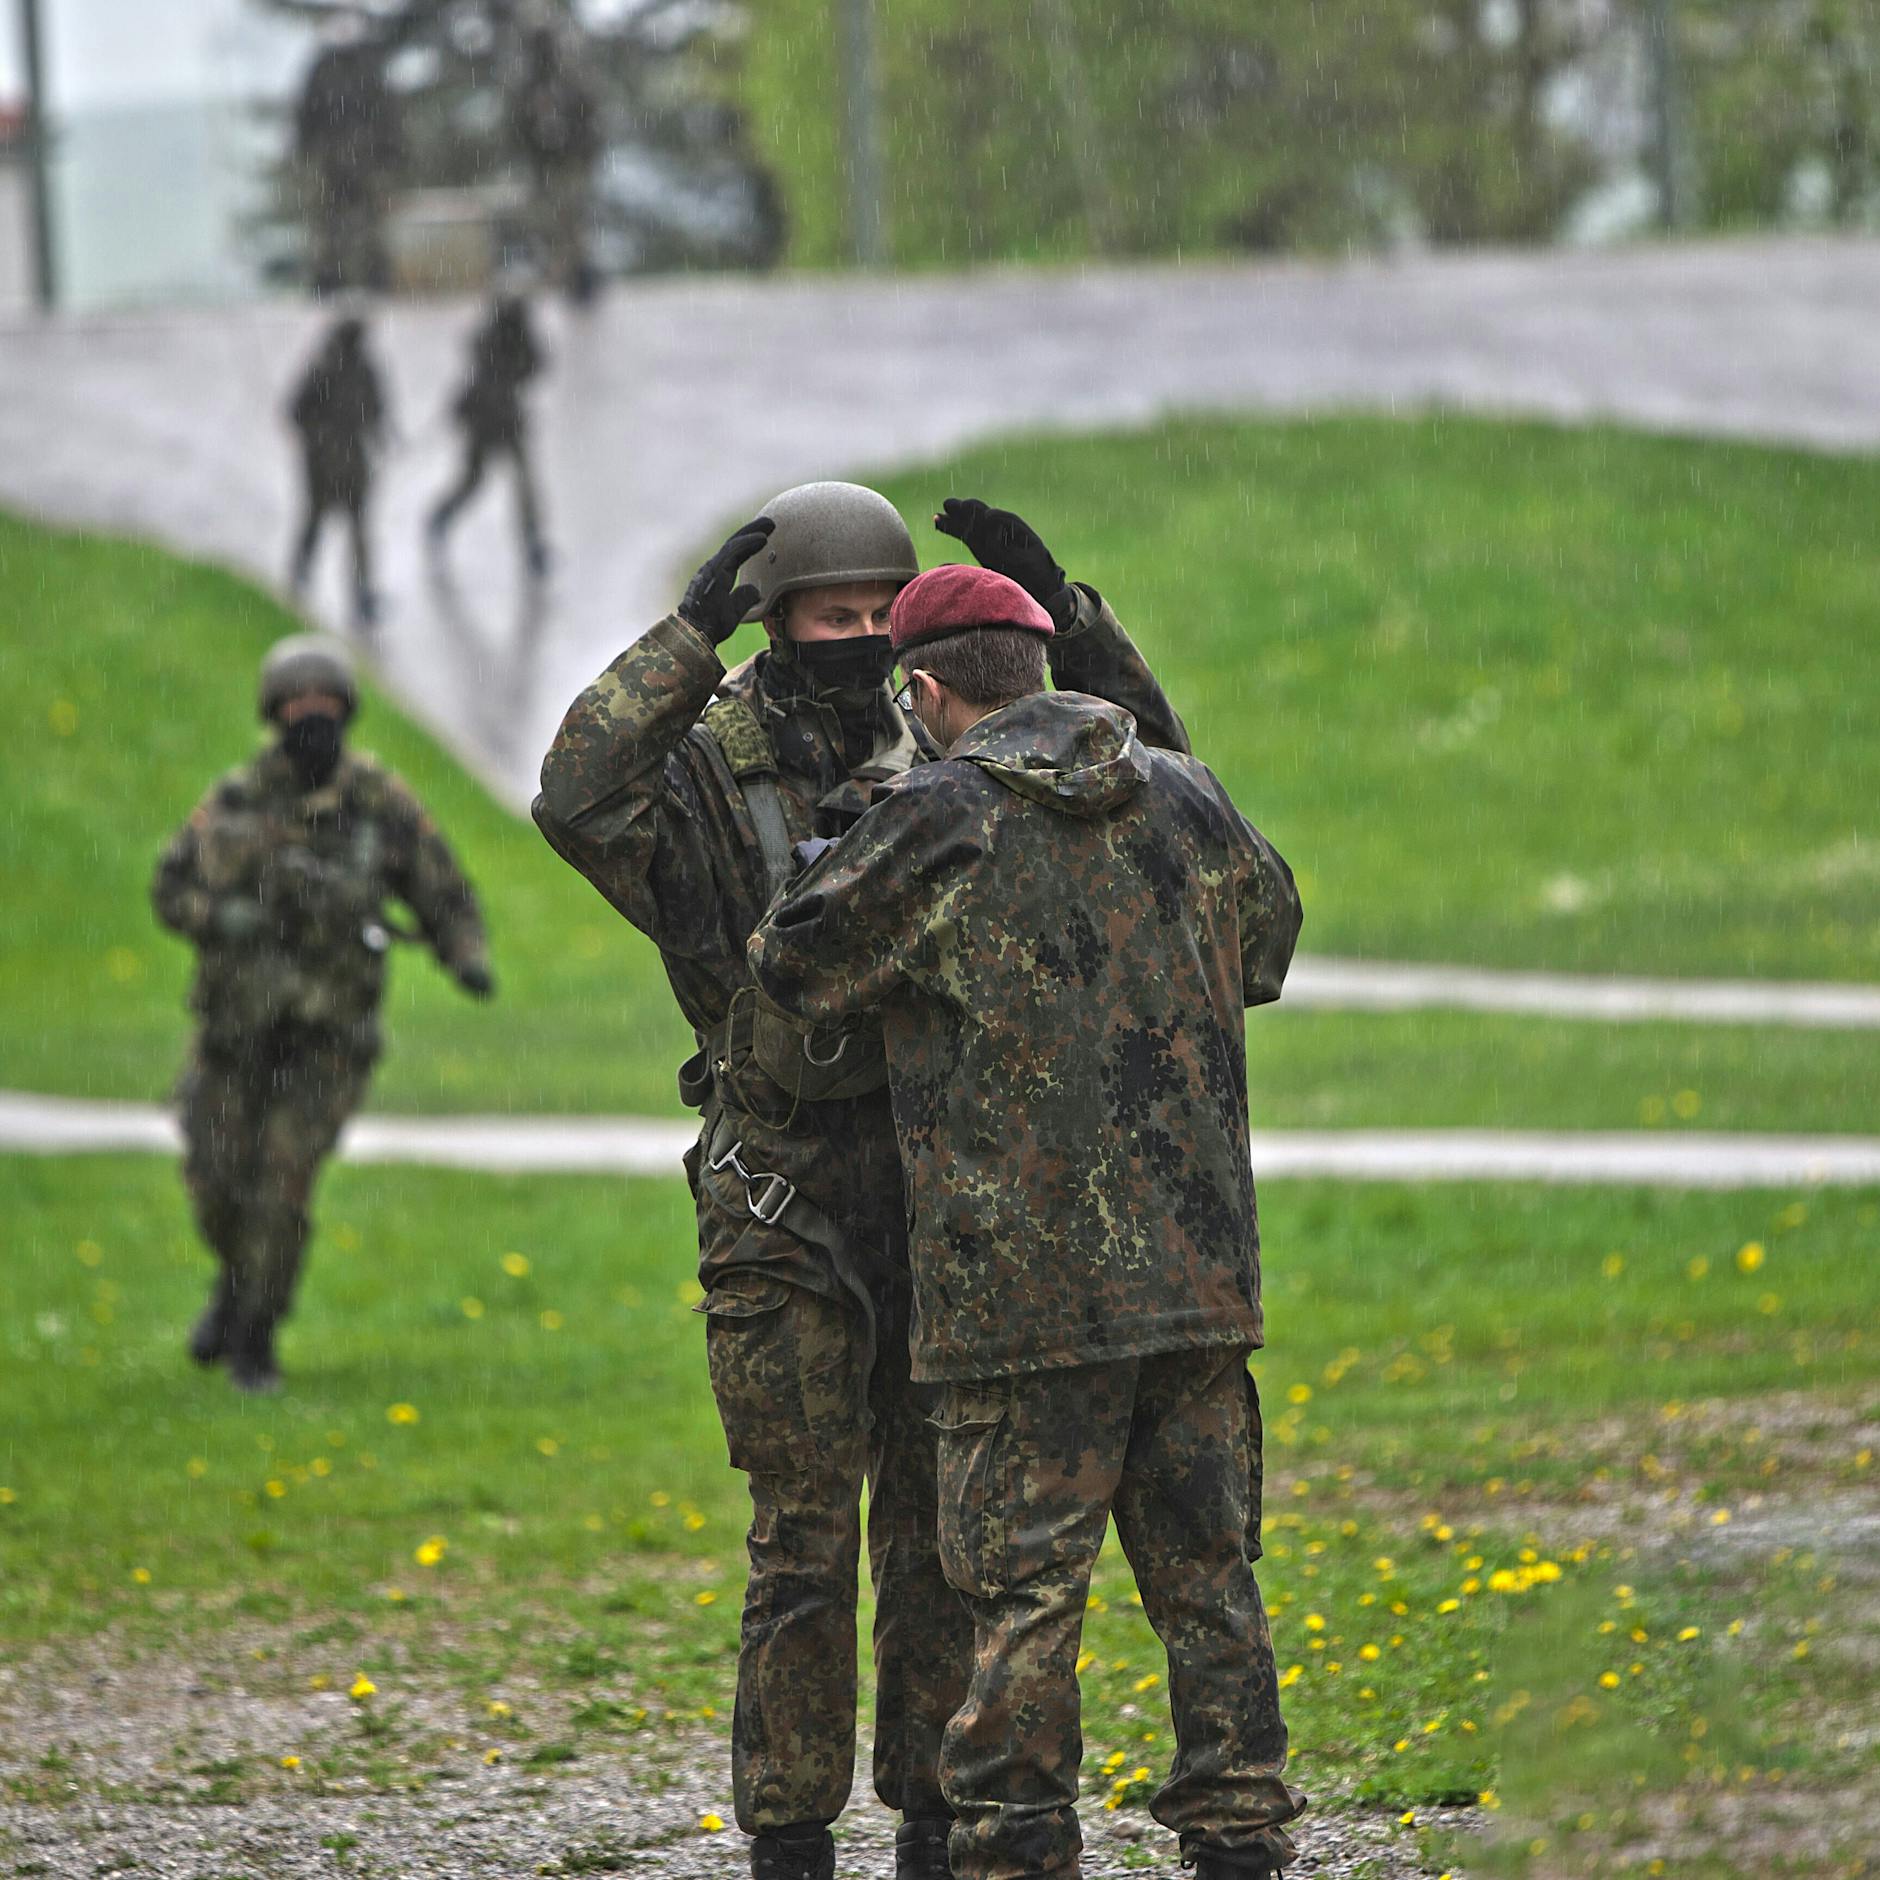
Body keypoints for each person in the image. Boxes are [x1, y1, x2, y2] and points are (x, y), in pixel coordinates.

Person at [534, 484, 1188, 1880]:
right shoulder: (707, 772)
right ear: (776, 626)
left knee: (949, 1537)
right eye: (828, 617)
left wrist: (1065, 617)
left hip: (944, 1193)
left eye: (878, 617)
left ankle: (933, 1818)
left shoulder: (959, 756)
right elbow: (574, 799)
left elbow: (1152, 780)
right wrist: (681, 642)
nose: (857, 639)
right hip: (783, 1196)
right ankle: (787, 1829)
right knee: (805, 1533)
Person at [748, 561, 1308, 1880]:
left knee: (1021, 1601)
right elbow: (1269, 946)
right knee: (1211, 1585)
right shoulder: (1183, 791)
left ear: (928, 691)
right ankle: (1239, 1839)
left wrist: (851, 845)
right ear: (1044, 667)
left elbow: (794, 968)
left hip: (1020, 1301)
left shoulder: (938, 816)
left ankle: (1018, 1847)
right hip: (1196, 1279)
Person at [152, 636, 494, 1395]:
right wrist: (226, 917)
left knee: (281, 1185)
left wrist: (463, 954)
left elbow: (441, 888)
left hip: (328, 1038)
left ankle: (254, 1340)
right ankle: (236, 1286)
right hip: (235, 1033)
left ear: (346, 711)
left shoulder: (378, 801)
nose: (313, 718)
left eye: (327, 705)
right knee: (215, 1180)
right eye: (298, 706)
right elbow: (170, 889)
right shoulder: (237, 801)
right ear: (274, 714)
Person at [426, 292, 551, 579]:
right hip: (483, 424)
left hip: (509, 422)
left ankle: (533, 547)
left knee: (525, 486)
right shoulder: (488, 339)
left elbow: (537, 366)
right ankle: (440, 519)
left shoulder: (520, 339)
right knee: (472, 483)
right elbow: (483, 365)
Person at [287, 311, 389, 629]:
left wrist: (379, 434)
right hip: (322, 463)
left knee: (359, 526)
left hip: (354, 461)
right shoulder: (322, 369)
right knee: (316, 517)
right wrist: (322, 438)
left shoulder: (366, 370)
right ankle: (302, 569)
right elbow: (296, 412)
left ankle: (362, 592)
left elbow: (376, 409)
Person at [294, 14, 402, 294]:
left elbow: (387, 114)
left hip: (367, 158)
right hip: (330, 158)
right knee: (329, 220)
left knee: (371, 220)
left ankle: (375, 276)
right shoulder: (322, 69)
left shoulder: (369, 67)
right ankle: (328, 279)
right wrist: (306, 151)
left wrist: (389, 153)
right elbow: (306, 114)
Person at [510, 21, 601, 301]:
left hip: (568, 163)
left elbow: (591, 118)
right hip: (544, 166)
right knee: (548, 223)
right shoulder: (526, 84)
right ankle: (560, 274)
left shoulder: (572, 80)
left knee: (571, 221)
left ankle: (577, 279)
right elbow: (516, 127)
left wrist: (578, 147)